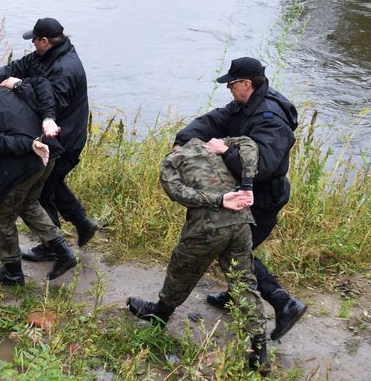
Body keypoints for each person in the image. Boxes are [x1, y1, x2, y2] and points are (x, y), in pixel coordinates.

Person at [173, 57, 306, 341]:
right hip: (247, 195)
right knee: (234, 249)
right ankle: (236, 296)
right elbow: (215, 120)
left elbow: (263, 166)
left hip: (264, 198)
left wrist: (224, 151)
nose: (229, 90)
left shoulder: (271, 118)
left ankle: (285, 304)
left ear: (246, 84)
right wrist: (183, 139)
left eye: (232, 85)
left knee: (235, 252)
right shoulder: (247, 104)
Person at [127, 136, 270, 375]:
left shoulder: (172, 159)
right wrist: (247, 184)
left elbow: (177, 192)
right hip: (242, 222)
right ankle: (260, 350)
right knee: (244, 281)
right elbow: (250, 145)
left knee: (181, 269)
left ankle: (160, 314)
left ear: (176, 143)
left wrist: (217, 200)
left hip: (207, 228)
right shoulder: (219, 144)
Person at [0, 17, 97, 262]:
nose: (32, 43)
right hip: (56, 136)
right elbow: (19, 66)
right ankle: (81, 224)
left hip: (66, 139)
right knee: (49, 185)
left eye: (34, 39)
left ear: (44, 41)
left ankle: (53, 247)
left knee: (42, 190)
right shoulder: (46, 56)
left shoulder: (65, 68)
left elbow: (50, 105)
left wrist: (18, 86)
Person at [0, 73, 78, 284]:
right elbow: (41, 91)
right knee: (28, 204)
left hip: (27, 162)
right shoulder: (7, 89)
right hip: (49, 155)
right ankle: (63, 252)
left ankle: (11, 272)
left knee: (3, 218)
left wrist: (27, 145)